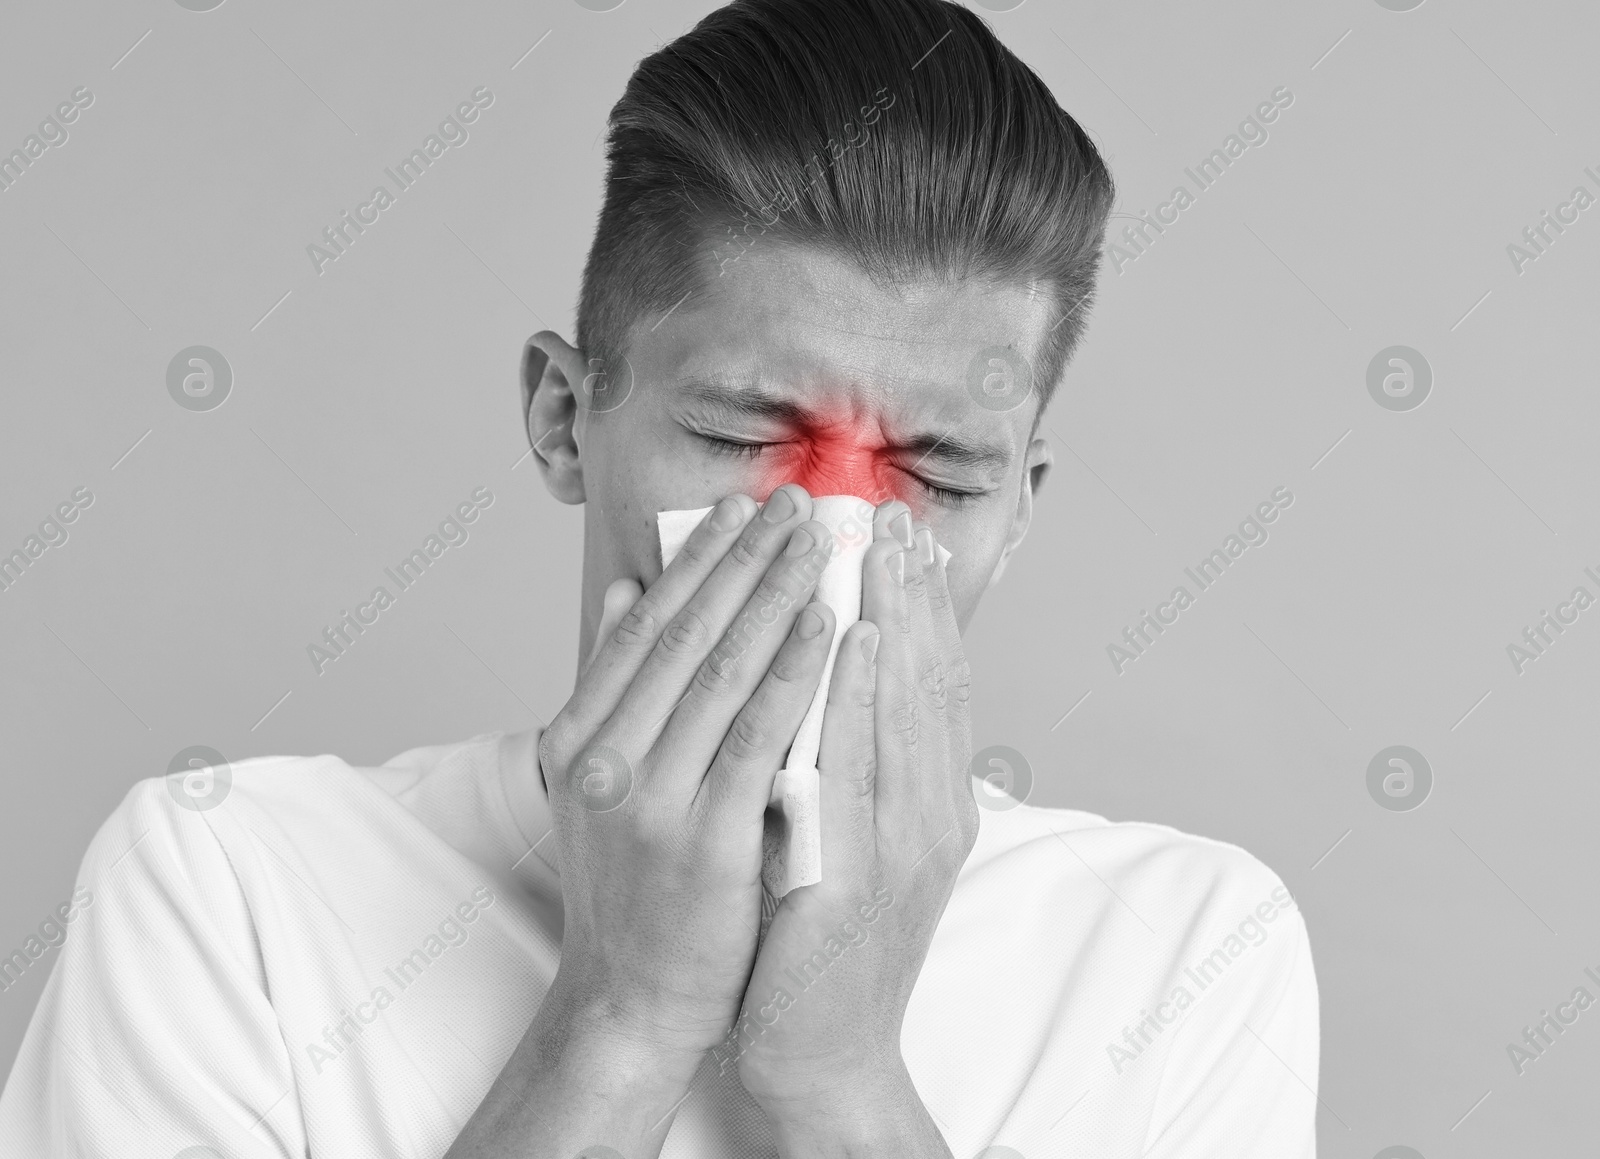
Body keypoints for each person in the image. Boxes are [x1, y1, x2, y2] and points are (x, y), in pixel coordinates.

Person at [0, 0, 1318, 1154]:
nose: (832, 533)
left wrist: (841, 1087)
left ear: (1018, 514)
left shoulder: (1188, 952)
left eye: (942, 475)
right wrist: (617, 1027)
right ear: (566, 419)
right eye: (746, 434)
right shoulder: (231, 891)